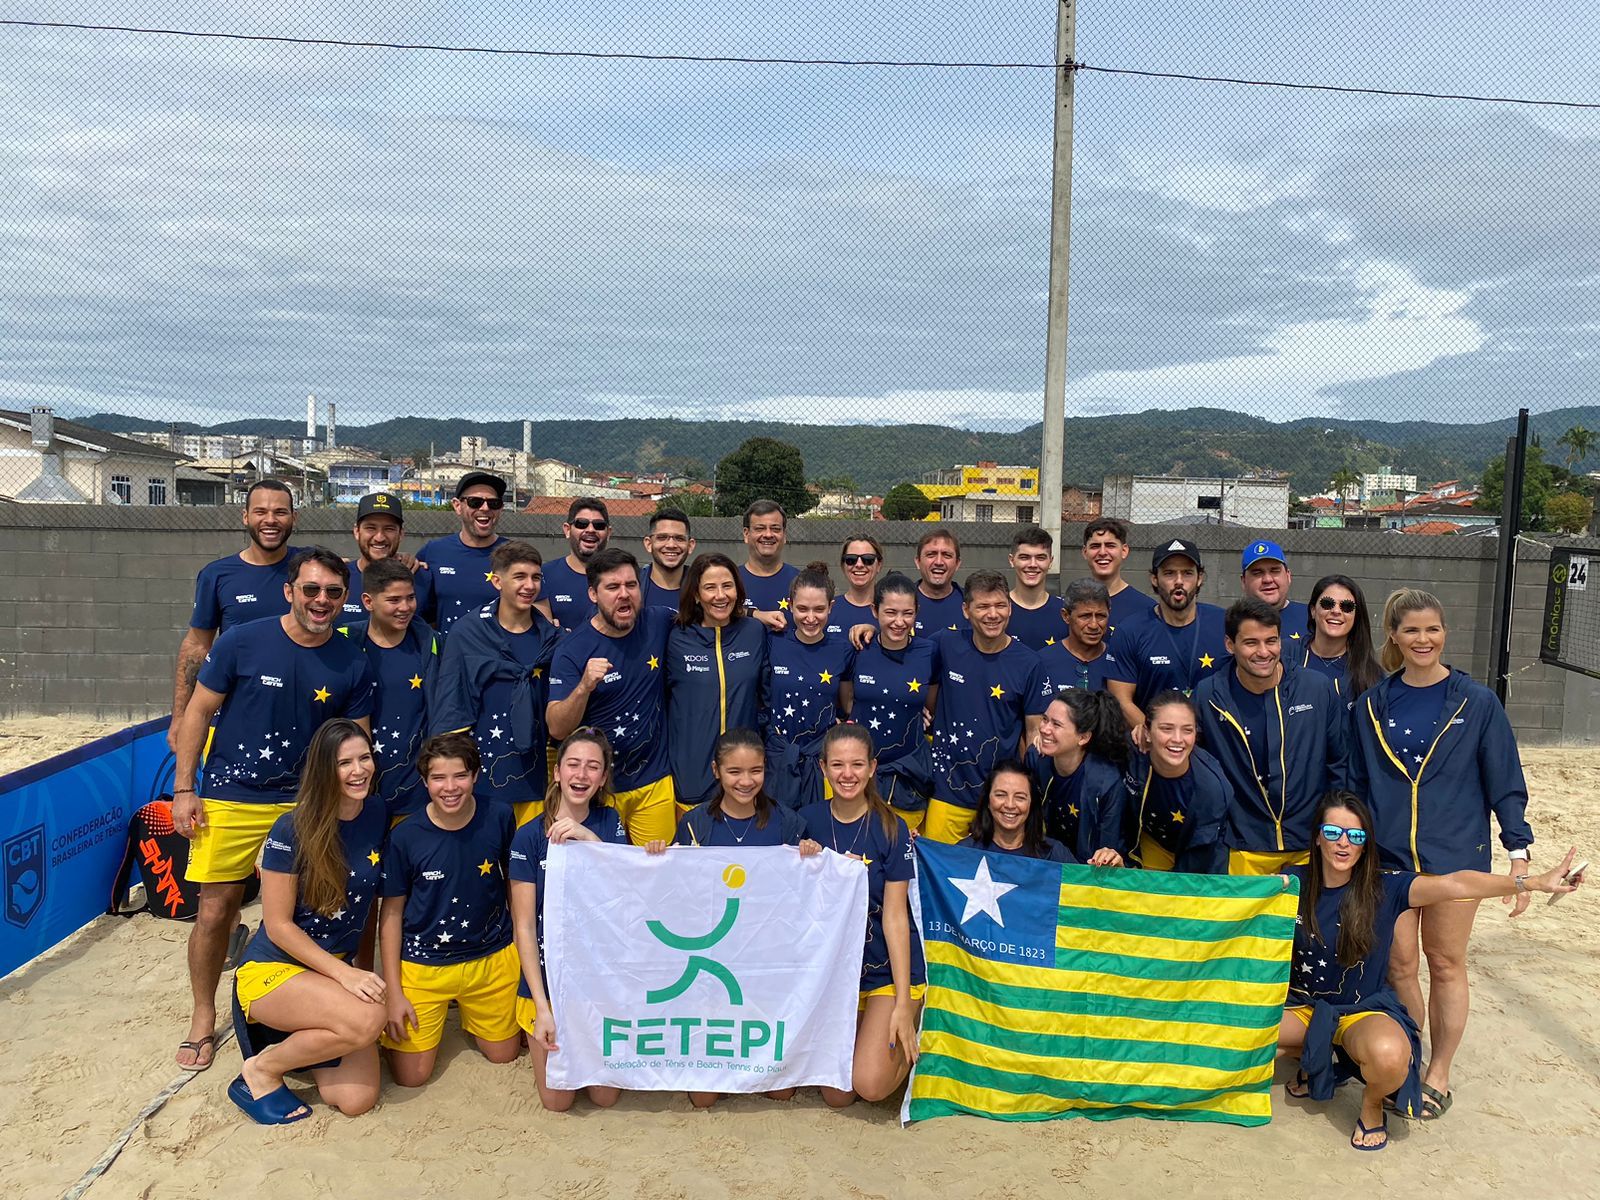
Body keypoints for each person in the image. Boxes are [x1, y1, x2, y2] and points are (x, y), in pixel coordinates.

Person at [1278, 791, 1583, 1151]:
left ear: (1365, 845)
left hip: (1361, 1012)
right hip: (1304, 1008)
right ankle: (1313, 1062)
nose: (1343, 843)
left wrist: (1528, 881)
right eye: (1333, 833)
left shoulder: (1386, 885)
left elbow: (1457, 884)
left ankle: (1373, 1106)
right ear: (1317, 836)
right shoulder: (1290, 882)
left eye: (1356, 836)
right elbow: (1235, 905)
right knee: (1242, 1031)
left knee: (1391, 1057)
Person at [169, 547, 376, 1071]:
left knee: (310, 912)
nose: (321, 600)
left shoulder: (353, 659)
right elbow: (198, 711)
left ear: (345, 597)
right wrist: (184, 788)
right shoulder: (242, 640)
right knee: (216, 910)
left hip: (308, 804)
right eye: (310, 589)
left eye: (332, 592)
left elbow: (357, 742)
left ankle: (306, 1004)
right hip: (231, 797)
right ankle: (201, 1016)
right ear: (289, 592)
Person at [1348, 588, 1537, 1120]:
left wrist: (1518, 851)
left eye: (1432, 629)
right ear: (1394, 636)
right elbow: (1355, 784)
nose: (1423, 639)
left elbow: (1505, 779)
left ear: (1444, 633)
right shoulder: (1371, 705)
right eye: (1411, 630)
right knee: (1400, 964)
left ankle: (1440, 1072)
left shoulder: (1476, 702)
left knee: (1446, 962)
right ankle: (1409, 1060)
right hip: (1389, 859)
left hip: (1457, 855)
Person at [228, 719, 387, 1124]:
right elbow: (278, 925)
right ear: (323, 770)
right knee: (368, 1018)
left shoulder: (378, 812)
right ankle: (260, 1070)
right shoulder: (291, 829)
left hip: (331, 971)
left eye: (364, 758)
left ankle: (300, 1040)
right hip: (275, 968)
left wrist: (358, 969)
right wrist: (346, 976)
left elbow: (369, 909)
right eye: (344, 762)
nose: (358, 770)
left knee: (356, 1100)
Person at [379, 733, 522, 1086]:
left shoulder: (500, 815)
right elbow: (391, 915)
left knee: (504, 1055)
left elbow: (512, 884)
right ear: (425, 781)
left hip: (491, 956)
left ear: (475, 775)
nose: (450, 787)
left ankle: (472, 1018)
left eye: (460, 775)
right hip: (424, 965)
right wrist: (394, 992)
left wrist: (519, 940)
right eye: (438, 778)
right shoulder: (405, 836)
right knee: (411, 1078)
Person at [508, 728, 629, 1112]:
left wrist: (588, 838)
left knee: (605, 1097)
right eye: (573, 765)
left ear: (603, 777)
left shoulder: (610, 822)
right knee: (557, 1101)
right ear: (557, 772)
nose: (582, 775)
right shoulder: (528, 836)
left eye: (593, 767)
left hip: (597, 979)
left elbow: (629, 890)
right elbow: (524, 927)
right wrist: (542, 1006)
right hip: (547, 980)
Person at [801, 725, 923, 1107]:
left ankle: (920, 1028)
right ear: (823, 768)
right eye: (837, 764)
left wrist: (903, 1000)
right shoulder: (806, 822)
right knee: (837, 1094)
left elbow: (896, 917)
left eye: (856, 764)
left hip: (884, 970)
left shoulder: (891, 827)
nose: (847, 774)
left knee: (869, 1085)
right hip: (837, 974)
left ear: (872, 768)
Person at [1195, 599, 1348, 875]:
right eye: (1251, 642)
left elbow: (1340, 763)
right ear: (1230, 645)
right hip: (1241, 847)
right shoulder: (1209, 695)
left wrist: (1331, 829)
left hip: (1309, 845)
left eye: (1271, 641)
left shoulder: (1316, 689)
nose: (1264, 652)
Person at [546, 548, 677, 844]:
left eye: (631, 585)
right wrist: (583, 687)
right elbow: (556, 727)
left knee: (654, 875)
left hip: (653, 782)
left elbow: (709, 610)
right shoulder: (572, 649)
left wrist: (754, 614)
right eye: (613, 587)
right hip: (598, 790)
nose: (624, 594)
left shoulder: (658, 621)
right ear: (593, 594)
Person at [433, 542, 563, 826]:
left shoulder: (553, 639)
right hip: (484, 780)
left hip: (537, 777)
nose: (529, 586)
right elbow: (452, 705)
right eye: (520, 577)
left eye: (536, 577)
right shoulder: (467, 634)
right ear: (497, 581)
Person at [169, 478, 298, 748]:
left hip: (305, 714)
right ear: (245, 517)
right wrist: (181, 716)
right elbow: (196, 646)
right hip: (239, 718)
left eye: (280, 512)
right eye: (261, 512)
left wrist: (407, 562)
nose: (270, 520)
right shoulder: (216, 575)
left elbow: (365, 572)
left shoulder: (312, 566)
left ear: (294, 518)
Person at [925, 571, 1049, 844]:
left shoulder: (1029, 663)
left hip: (1004, 806)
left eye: (1000, 606)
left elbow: (1034, 734)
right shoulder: (945, 644)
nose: (993, 614)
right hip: (948, 795)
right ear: (966, 610)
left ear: (1010, 608)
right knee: (936, 878)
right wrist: (869, 630)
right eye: (983, 606)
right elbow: (898, 646)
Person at [665, 553, 768, 808]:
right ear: (697, 594)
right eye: (710, 587)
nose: (720, 596)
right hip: (691, 778)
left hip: (743, 781)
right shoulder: (676, 637)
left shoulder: (754, 632)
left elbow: (766, 697)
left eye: (727, 586)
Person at [1106, 538, 1227, 745]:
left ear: (1200, 578)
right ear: (1154, 579)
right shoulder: (1131, 630)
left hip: (1216, 747)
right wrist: (1161, 738)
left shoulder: (1224, 624)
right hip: (1154, 749)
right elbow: (1121, 699)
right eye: (1169, 573)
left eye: (1187, 573)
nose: (1179, 581)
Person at [348, 557, 438, 822]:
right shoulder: (343, 645)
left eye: (410, 598)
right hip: (357, 792)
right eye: (393, 600)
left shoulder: (432, 646)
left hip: (415, 794)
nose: (405, 607)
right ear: (368, 601)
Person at [847, 573, 939, 827]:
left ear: (917, 612)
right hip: (858, 774)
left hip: (908, 775)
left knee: (901, 853)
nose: (899, 622)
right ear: (874, 610)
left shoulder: (929, 651)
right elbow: (845, 702)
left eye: (907, 613)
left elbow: (930, 701)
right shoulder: (858, 648)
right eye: (890, 613)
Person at [763, 564, 855, 810]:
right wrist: (756, 614)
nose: (810, 618)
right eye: (802, 609)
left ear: (831, 608)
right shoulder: (772, 642)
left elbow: (848, 705)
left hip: (820, 762)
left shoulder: (843, 650)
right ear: (790, 605)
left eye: (819, 609)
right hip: (778, 759)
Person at [1123, 692, 1232, 874]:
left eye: (1187, 730)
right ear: (1147, 732)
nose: (1177, 739)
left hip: (1199, 860)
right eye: (1167, 729)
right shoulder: (1133, 752)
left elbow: (1197, 863)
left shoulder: (1212, 788)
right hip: (1151, 845)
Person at [1026, 690, 1129, 864]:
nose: (1044, 729)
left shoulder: (1106, 782)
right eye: (1045, 719)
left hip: (1086, 872)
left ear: (1083, 737)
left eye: (1056, 724)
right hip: (1044, 862)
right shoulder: (1036, 759)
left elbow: (1109, 849)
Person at [416, 471, 509, 637]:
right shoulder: (433, 552)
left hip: (499, 660)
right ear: (457, 506)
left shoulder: (516, 554)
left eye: (493, 503)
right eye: (475, 502)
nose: (485, 508)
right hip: (449, 659)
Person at [340, 491, 435, 622]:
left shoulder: (421, 579)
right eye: (371, 528)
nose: (379, 537)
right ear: (356, 532)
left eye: (389, 529)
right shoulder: (339, 577)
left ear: (401, 534)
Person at [964, 761, 1080, 863]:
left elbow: (1087, 886)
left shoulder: (1053, 854)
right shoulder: (964, 853)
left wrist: (1097, 870)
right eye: (1000, 795)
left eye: (1020, 797)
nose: (1010, 805)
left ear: (1031, 804)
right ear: (988, 801)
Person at [1301, 574, 1381, 701]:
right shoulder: (1287, 656)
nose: (1336, 611)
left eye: (1347, 607)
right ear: (1313, 611)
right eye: (1327, 603)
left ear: (1356, 616)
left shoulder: (1371, 674)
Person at [1037, 578, 1120, 694]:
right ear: (1066, 616)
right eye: (1085, 616)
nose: (1094, 625)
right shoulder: (1042, 662)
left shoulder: (1120, 662)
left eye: (1101, 616)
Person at [541, 498, 613, 628]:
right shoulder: (544, 575)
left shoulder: (622, 578)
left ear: (608, 533)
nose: (590, 530)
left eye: (599, 525)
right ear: (567, 530)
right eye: (581, 524)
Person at [1080, 517, 1151, 635]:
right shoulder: (1071, 604)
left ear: (1124, 551)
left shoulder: (1146, 609)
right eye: (1095, 546)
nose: (1102, 552)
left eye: (1110, 545)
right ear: (1084, 552)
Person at [738, 499, 799, 632]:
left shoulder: (802, 581)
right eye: (760, 528)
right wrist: (754, 614)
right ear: (746, 534)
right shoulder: (730, 579)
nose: (768, 534)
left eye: (775, 529)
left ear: (784, 535)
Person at [1006, 525, 1068, 651]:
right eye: (1024, 557)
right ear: (1012, 560)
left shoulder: (1066, 612)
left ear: (1050, 562)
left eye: (1040, 558)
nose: (1033, 565)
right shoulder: (996, 611)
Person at [1240, 540, 1310, 646]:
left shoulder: (1313, 618)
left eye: (1275, 571)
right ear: (1244, 581)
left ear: (1288, 576)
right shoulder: (1232, 622)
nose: (1267, 579)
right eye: (1257, 573)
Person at [912, 528, 969, 636]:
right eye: (931, 554)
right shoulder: (901, 602)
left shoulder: (970, 604)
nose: (939, 562)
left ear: (957, 563)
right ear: (918, 561)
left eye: (947, 555)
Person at [827, 535, 883, 636]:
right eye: (851, 559)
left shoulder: (891, 612)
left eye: (868, 559)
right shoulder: (828, 609)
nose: (859, 565)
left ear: (879, 565)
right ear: (843, 565)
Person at [640, 507, 696, 607]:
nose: (671, 545)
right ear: (649, 544)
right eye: (662, 538)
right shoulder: (631, 588)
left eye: (679, 538)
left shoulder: (703, 588)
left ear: (690, 545)